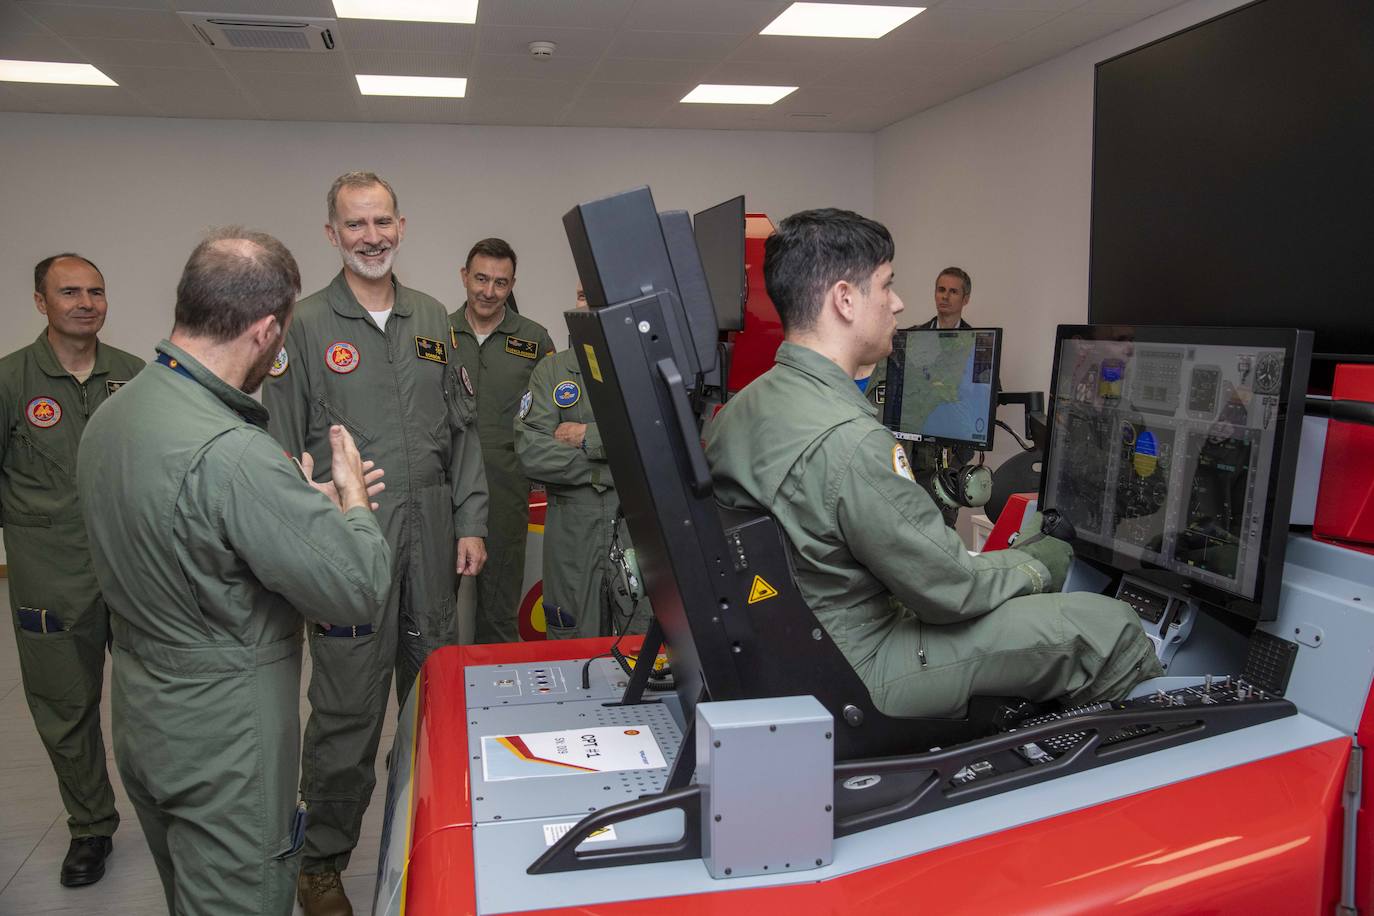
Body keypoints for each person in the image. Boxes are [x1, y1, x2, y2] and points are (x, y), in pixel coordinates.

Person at [705, 209, 1161, 719]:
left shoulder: (737, 412)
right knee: (1107, 624)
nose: (899, 303)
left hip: (795, 652)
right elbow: (952, 589)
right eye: (887, 285)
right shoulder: (854, 444)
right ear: (845, 300)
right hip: (860, 667)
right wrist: (1038, 564)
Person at [76, 228, 393, 915]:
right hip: (226, 742)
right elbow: (359, 588)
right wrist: (352, 506)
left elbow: (187, 539)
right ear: (267, 331)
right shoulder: (233, 453)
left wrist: (286, 512)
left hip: (144, 716)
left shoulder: (115, 412)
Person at [262, 171, 487, 916]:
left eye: (382, 221)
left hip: (432, 534)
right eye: (354, 224)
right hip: (350, 543)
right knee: (346, 713)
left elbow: (464, 433)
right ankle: (321, 864)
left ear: (402, 224)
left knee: (433, 704)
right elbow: (278, 449)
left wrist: (473, 521)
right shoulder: (305, 327)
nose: (371, 236)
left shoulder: (432, 318)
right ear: (332, 234)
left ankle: (424, 841)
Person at [0, 254, 142, 888]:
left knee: (156, 700)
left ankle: (175, 814)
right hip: (51, 580)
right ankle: (90, 826)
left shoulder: (137, 378)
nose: (86, 302)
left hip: (133, 574)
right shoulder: (10, 382)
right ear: (40, 301)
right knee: (66, 708)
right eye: (70, 292)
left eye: (96, 291)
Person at [515, 285, 649, 639]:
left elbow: (653, 444)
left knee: (642, 640)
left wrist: (586, 436)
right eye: (580, 294)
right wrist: (610, 467)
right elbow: (532, 453)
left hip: (633, 523)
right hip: (572, 530)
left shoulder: (645, 370)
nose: (585, 303)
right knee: (570, 637)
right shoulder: (551, 372)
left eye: (597, 293)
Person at [450, 238, 554, 643]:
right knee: (436, 608)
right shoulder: (435, 333)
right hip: (446, 488)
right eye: (480, 279)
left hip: (506, 490)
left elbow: (551, 415)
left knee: (498, 608)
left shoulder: (534, 340)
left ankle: (496, 695)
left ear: (512, 286)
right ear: (464, 276)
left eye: (500, 282)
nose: (488, 292)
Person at [862, 265, 978, 527]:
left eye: (953, 291)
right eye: (940, 289)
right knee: (901, 523)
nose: (945, 297)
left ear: (965, 299)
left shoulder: (976, 343)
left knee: (941, 530)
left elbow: (984, 401)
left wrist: (961, 459)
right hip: (908, 454)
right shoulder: (911, 339)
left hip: (947, 459)